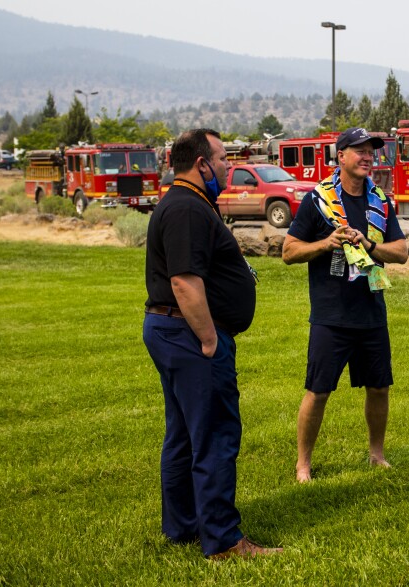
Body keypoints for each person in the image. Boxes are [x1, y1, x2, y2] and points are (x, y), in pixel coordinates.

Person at [142, 128, 282, 559]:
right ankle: (222, 539)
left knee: (184, 434)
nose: (227, 165)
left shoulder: (186, 203)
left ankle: (183, 526)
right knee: (216, 435)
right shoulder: (186, 208)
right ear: (202, 163)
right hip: (190, 334)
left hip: (173, 331)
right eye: (222, 159)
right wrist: (208, 340)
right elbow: (184, 281)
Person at [282, 127, 409, 484]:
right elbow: (289, 252)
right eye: (360, 150)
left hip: (370, 310)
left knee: (379, 387)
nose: (368, 156)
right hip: (331, 314)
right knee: (318, 390)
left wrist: (369, 245)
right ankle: (303, 464)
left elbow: (400, 252)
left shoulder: (380, 200)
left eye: (371, 151)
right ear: (341, 156)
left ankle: (376, 454)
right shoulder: (318, 200)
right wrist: (326, 243)